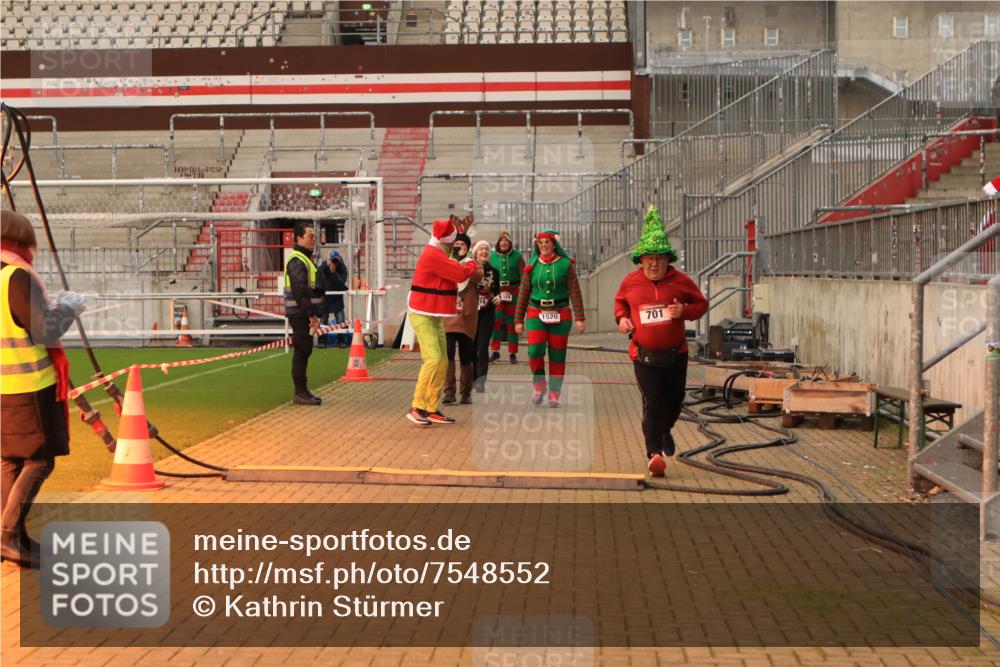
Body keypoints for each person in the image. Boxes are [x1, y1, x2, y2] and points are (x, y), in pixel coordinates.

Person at [1, 210, 86, 567]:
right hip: (28, 385)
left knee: (9, 461)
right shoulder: (17, 276)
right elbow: (44, 331)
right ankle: (6, 535)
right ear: (22, 241)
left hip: (3, 386)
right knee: (39, 459)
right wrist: (67, 309)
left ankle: (13, 536)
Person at [614, 205, 708, 477]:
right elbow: (620, 303)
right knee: (653, 401)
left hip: (676, 354)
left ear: (669, 259)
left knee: (675, 399)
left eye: (659, 258)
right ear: (640, 260)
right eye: (649, 258)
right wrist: (621, 319)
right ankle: (654, 453)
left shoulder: (681, 281)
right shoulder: (630, 282)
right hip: (643, 355)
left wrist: (685, 312)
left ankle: (666, 428)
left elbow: (701, 304)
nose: (654, 264)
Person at [406, 218, 483, 425]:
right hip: (422, 312)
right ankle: (417, 406)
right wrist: (472, 263)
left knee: (442, 360)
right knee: (433, 359)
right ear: (445, 241)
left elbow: (454, 266)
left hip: (432, 312)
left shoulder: (438, 252)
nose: (453, 245)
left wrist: (466, 261)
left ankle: (431, 407)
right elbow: (458, 273)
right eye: (452, 242)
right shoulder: (433, 255)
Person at [513, 228, 585, 408]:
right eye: (540, 243)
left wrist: (580, 317)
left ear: (554, 244)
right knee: (534, 351)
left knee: (557, 355)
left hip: (561, 313)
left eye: (547, 243)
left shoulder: (565, 264)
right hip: (536, 312)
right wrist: (518, 319)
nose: (544, 246)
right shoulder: (532, 265)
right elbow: (523, 293)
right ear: (537, 245)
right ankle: (539, 386)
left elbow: (575, 291)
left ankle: (554, 393)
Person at [283, 222, 326, 406]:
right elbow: (300, 290)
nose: (314, 239)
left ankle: (302, 391)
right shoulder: (297, 261)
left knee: (305, 350)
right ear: (299, 238)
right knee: (302, 351)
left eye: (314, 236)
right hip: (300, 314)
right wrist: (310, 314)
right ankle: (300, 392)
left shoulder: (305, 259)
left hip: (304, 313)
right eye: (310, 236)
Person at [442, 233, 479, 405]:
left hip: (467, 315)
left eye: (462, 244)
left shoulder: (474, 264)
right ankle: (449, 392)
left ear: (467, 247)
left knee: (466, 356)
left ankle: (466, 393)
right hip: (448, 314)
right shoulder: (446, 263)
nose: (459, 247)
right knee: (448, 353)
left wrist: (466, 263)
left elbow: (478, 276)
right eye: (456, 244)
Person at [488, 229, 524, 364]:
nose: (504, 242)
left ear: (510, 243)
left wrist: (522, 291)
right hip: (498, 292)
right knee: (495, 321)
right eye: (501, 240)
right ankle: (495, 351)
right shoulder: (492, 257)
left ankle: (512, 352)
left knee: (512, 322)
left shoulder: (518, 256)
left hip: (514, 291)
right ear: (498, 243)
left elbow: (524, 275)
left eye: (506, 241)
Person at [472, 239, 500, 393]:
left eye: (486, 249)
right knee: (471, 347)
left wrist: (499, 297)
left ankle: (481, 380)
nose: (484, 251)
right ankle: (472, 377)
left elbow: (497, 291)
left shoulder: (494, 272)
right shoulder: (469, 269)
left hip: (487, 313)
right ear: (475, 252)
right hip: (471, 313)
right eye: (481, 249)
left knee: (482, 347)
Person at [319, 251, 349, 348]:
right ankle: (322, 342)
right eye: (333, 260)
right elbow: (318, 274)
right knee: (323, 321)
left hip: (337, 298)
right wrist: (325, 266)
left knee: (340, 320)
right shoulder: (324, 266)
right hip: (325, 298)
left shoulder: (342, 268)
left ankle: (341, 341)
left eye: (336, 260)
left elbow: (341, 283)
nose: (334, 262)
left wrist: (334, 272)